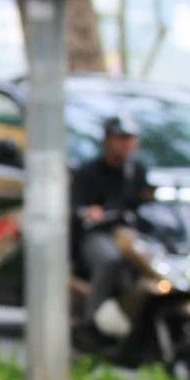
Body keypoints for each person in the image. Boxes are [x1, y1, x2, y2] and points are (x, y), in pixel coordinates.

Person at [71, 116, 155, 338]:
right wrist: (89, 211)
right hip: (98, 234)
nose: (127, 145)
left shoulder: (137, 172)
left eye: (131, 140)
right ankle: (91, 321)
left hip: (129, 234)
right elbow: (75, 206)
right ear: (109, 141)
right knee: (110, 260)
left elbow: (146, 203)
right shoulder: (89, 172)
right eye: (122, 139)